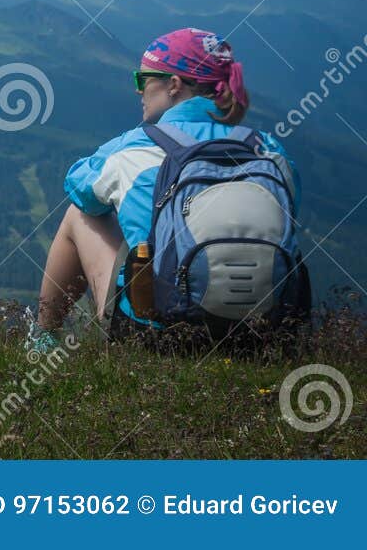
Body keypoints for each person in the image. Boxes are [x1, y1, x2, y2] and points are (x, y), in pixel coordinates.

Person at [27, 28, 299, 352]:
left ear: (173, 84)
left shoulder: (135, 147)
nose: (138, 90)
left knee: (79, 215)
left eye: (143, 80)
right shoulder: (271, 151)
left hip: (156, 338)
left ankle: (42, 341)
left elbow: (78, 188)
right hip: (261, 337)